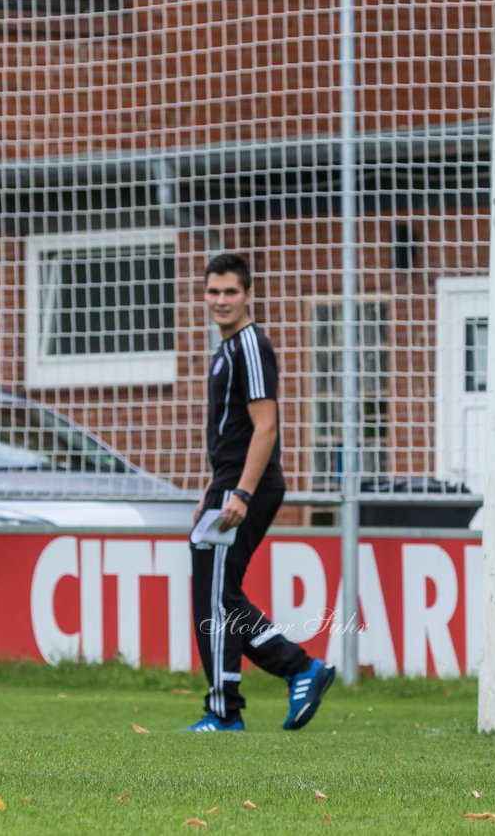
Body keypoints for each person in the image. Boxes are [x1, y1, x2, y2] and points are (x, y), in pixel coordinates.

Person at [185, 253, 335, 732]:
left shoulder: (251, 345)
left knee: (217, 594)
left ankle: (229, 709)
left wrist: (242, 494)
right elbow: (229, 435)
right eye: (214, 291)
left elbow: (265, 427)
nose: (222, 300)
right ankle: (295, 671)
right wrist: (211, 490)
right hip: (227, 484)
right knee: (217, 593)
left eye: (231, 291)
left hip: (247, 487)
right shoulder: (225, 350)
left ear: (248, 296)